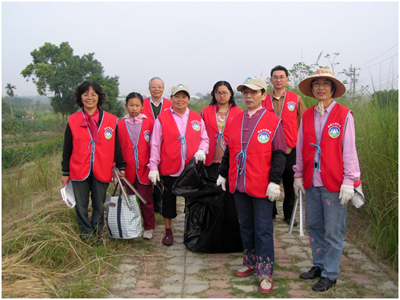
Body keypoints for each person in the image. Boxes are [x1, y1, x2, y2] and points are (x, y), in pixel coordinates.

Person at [217, 76, 286, 293]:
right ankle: (250, 261)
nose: (248, 96)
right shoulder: (235, 119)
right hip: (239, 183)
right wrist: (222, 174)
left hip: (262, 183)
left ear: (263, 95)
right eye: (245, 92)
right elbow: (229, 150)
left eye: (254, 92)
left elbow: (279, 154)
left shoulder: (273, 121)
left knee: (263, 228)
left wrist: (275, 181)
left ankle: (265, 271)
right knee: (245, 225)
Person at [293, 68, 361, 292]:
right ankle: (319, 265)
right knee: (314, 226)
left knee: (333, 230)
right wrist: (298, 174)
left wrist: (349, 180)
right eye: (316, 84)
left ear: (333, 89)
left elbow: (349, 149)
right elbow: (302, 147)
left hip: (335, 182)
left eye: (326, 84)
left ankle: (330, 273)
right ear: (311, 89)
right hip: (313, 181)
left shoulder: (344, 115)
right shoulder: (307, 115)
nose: (321, 87)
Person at [61, 81, 126, 245]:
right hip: (78, 168)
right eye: (85, 94)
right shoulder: (73, 120)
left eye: (93, 94)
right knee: (80, 205)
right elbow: (67, 148)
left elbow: (116, 145)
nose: (89, 98)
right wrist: (65, 172)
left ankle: (97, 234)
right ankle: (86, 235)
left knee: (99, 203)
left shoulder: (111, 120)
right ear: (80, 97)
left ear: (99, 97)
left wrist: (121, 166)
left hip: (102, 168)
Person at [147, 83, 209, 246]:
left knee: (193, 202)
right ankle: (168, 231)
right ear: (171, 98)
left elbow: (204, 138)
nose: (180, 100)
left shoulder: (196, 118)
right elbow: (155, 144)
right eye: (177, 96)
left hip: (191, 169)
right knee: (168, 201)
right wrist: (153, 167)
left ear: (188, 99)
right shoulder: (162, 118)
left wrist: (202, 150)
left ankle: (192, 229)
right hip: (170, 167)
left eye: (183, 96)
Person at [263, 65, 307, 226]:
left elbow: (305, 121)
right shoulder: (264, 100)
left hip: (291, 147)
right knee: (269, 179)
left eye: (282, 77)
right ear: (271, 80)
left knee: (290, 182)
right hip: (269, 148)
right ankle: (270, 212)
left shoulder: (295, 99)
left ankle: (289, 215)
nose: (278, 80)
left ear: (287, 80)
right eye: (275, 77)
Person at [117, 92, 155, 240]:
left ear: (142, 106)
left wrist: (154, 166)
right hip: (127, 169)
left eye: (137, 105)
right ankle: (133, 226)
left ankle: (149, 226)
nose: (134, 108)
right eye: (131, 105)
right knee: (130, 200)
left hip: (144, 168)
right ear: (126, 105)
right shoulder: (120, 124)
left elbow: (155, 145)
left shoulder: (149, 123)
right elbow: (117, 148)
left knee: (146, 199)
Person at [200, 81, 242, 180]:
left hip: (231, 157)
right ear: (214, 94)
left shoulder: (238, 112)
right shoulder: (205, 112)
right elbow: (200, 134)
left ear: (230, 93)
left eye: (224, 92)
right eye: (218, 93)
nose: (221, 95)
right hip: (210, 157)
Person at [142, 77, 172, 214]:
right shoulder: (142, 104)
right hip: (145, 143)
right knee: (147, 171)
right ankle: (146, 201)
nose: (157, 89)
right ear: (149, 89)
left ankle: (158, 200)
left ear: (163, 89)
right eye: (154, 86)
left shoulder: (169, 104)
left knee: (162, 172)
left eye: (159, 86)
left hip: (165, 143)